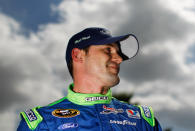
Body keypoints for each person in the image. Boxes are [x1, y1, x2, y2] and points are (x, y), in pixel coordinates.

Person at [17, 27, 162, 131]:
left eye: (118, 52)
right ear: (78, 55)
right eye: (108, 50)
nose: (119, 59)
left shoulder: (142, 119)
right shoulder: (40, 123)